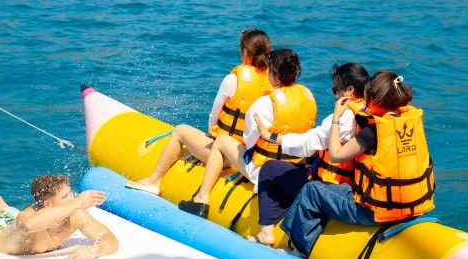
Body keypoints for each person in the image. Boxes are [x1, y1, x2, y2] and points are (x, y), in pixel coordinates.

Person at [281, 71, 435, 258]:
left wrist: (337, 118)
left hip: (373, 212)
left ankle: (298, 251)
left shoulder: (372, 131)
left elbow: (337, 155)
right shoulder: (409, 123)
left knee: (311, 190)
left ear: (374, 99)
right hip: (412, 208)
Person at [126, 28, 272, 195]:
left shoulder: (233, 80)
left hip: (225, 155)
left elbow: (214, 116)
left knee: (180, 130)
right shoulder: (273, 82)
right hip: (250, 157)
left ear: (245, 52)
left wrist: (212, 134)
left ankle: (153, 181)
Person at [178, 48, 316, 218]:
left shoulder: (264, 104)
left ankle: (201, 198)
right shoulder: (308, 96)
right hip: (296, 171)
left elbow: (248, 140)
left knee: (221, 141)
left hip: (264, 170)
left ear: (273, 73)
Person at [250, 63, 369, 246]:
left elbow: (310, 141)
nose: (334, 93)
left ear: (350, 90)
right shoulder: (369, 111)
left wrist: (272, 137)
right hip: (352, 188)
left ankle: (266, 233)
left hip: (329, 189)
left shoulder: (344, 118)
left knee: (270, 168)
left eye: (335, 89)